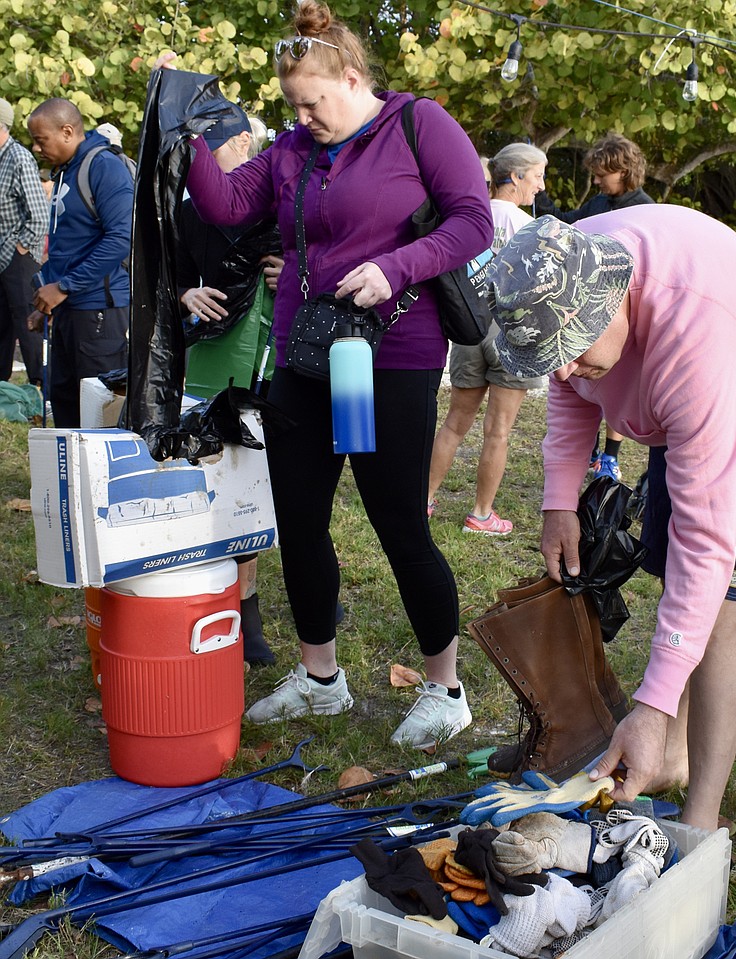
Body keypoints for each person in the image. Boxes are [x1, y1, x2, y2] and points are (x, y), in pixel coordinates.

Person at [184, 0, 493, 749]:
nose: (302, 118)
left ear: (352, 78)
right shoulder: (292, 150)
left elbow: (473, 220)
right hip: (306, 352)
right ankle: (320, 678)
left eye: (312, 103)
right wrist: (184, 128)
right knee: (297, 519)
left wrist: (396, 267)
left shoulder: (417, 124)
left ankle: (444, 688)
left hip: (392, 354)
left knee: (398, 522)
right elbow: (225, 204)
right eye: (292, 106)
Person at [487, 208, 736, 830]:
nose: (561, 371)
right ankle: (672, 756)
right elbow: (570, 389)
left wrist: (652, 703)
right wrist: (558, 499)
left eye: (571, 351)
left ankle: (700, 818)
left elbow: (705, 541)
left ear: (615, 302)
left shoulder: (694, 344)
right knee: (677, 581)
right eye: (549, 356)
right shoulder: (566, 272)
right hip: (678, 379)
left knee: (716, 606)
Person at [177, 102, 283, 668]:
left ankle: (319, 585)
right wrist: (185, 293)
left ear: (243, 142)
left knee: (288, 480)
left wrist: (295, 272)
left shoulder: (283, 198)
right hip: (214, 360)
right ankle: (242, 610)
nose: (198, 166)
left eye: (207, 150)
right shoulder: (188, 211)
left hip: (281, 356)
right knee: (229, 478)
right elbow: (162, 271)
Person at [427, 143, 548, 534]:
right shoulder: (527, 225)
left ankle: (423, 501)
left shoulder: (469, 214)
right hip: (511, 335)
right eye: (537, 176)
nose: (541, 186)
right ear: (514, 176)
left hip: (468, 329)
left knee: (454, 424)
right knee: (498, 432)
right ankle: (481, 515)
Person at [538, 132, 656, 482]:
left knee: (619, 379)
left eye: (602, 174)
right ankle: (587, 450)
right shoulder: (599, 203)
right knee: (588, 377)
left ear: (623, 170)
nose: (596, 181)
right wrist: (540, 197)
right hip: (589, 304)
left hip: (625, 309)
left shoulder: (645, 208)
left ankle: (610, 457)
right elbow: (567, 224)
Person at [27, 99, 133, 428]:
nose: (36, 148)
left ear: (67, 131)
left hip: (99, 312)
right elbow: (68, 245)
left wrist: (63, 287)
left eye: (41, 140)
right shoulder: (65, 171)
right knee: (65, 404)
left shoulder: (104, 166)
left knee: (99, 414)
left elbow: (122, 237)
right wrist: (47, 299)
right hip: (68, 310)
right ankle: (68, 465)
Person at [0, 97, 49, 387]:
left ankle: (39, 385)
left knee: (26, 321)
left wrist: (21, 248)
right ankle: (3, 387)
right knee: (2, 325)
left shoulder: (18, 158)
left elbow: (39, 214)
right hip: (1, 256)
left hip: (18, 256)